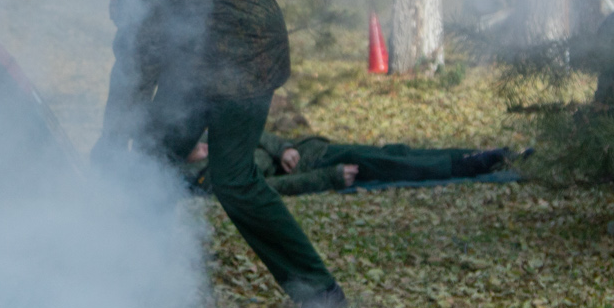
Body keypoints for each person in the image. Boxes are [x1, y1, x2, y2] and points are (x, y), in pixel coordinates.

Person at [18, 0, 348, 308]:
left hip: (242, 47)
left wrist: (112, 135)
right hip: (201, 53)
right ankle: (135, 282)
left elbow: (140, 46)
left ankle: (322, 297)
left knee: (233, 179)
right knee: (151, 160)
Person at [185, 132, 513, 195]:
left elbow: (255, 131)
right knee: (388, 164)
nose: (203, 146)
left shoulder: (212, 140)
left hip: (314, 149)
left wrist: (284, 147)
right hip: (318, 168)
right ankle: (464, 166)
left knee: (394, 152)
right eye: (195, 149)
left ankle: (475, 154)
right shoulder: (215, 178)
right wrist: (329, 178)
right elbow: (274, 187)